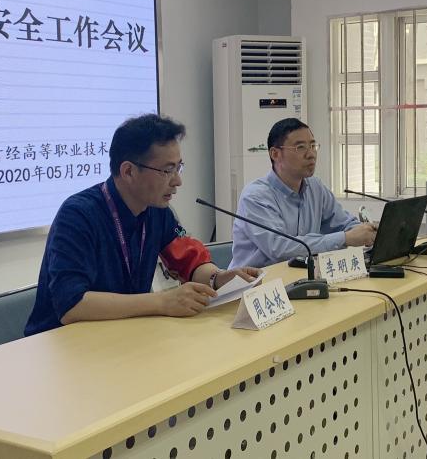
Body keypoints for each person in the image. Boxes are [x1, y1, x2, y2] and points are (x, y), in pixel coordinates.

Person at [25, 114, 260, 336]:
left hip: (123, 334)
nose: (178, 181)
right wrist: (161, 301)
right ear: (128, 171)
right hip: (64, 345)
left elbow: (189, 260)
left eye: (179, 167)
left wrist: (218, 278)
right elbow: (71, 305)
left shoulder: (157, 211)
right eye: (167, 170)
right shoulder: (78, 214)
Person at [229, 118, 377, 269]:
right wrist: (344, 238)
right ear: (275, 154)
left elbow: (344, 224)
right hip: (258, 282)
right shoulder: (255, 197)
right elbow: (280, 249)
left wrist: (370, 231)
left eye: (313, 146)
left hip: (300, 276)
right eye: (300, 147)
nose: (311, 154)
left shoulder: (315, 187)